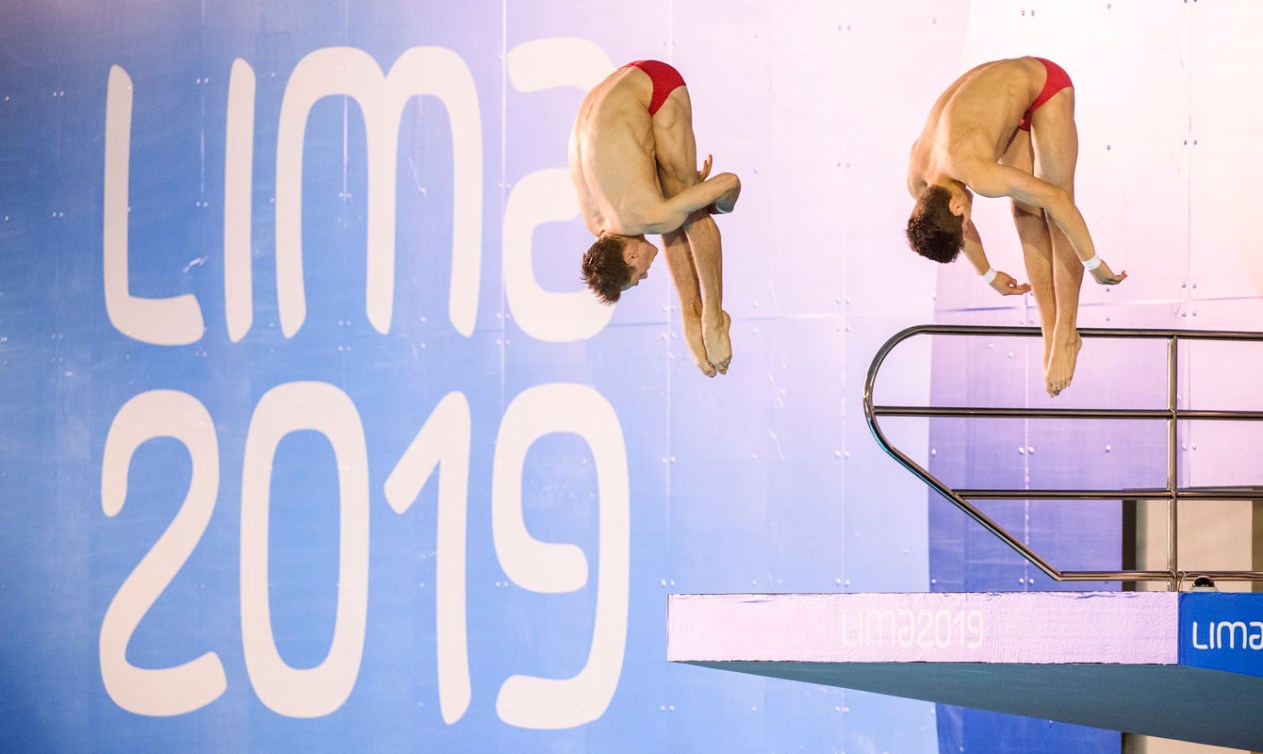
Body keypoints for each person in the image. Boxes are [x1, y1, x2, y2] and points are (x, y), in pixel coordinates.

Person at [905, 56, 1127, 396]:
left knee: (1054, 211)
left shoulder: (978, 173)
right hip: (998, 101)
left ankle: (1067, 334)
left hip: (1042, 85)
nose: (969, 229)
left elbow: (1059, 200)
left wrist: (1094, 263)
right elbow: (950, 225)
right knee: (1025, 213)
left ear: (957, 206)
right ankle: (1050, 332)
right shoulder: (920, 184)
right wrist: (989, 275)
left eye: (966, 225)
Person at [570, 60, 741, 377]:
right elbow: (655, 214)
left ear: (630, 254)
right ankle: (691, 316)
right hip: (612, 89)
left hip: (656, 85)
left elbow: (730, 182)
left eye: (638, 276)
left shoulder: (647, 215)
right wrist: (687, 199)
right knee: (673, 207)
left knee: (685, 208)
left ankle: (711, 319)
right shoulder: (597, 223)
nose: (646, 275)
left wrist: (714, 204)